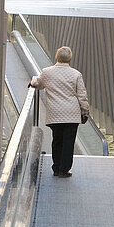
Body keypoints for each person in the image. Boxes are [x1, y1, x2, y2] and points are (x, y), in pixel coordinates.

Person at [30, 46, 90, 177]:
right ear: (70, 58)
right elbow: (81, 95)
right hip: (72, 114)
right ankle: (64, 169)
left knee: (57, 140)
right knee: (68, 142)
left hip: (55, 113)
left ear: (57, 57)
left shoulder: (47, 72)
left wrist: (33, 81)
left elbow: (38, 84)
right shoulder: (76, 74)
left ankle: (56, 168)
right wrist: (85, 111)